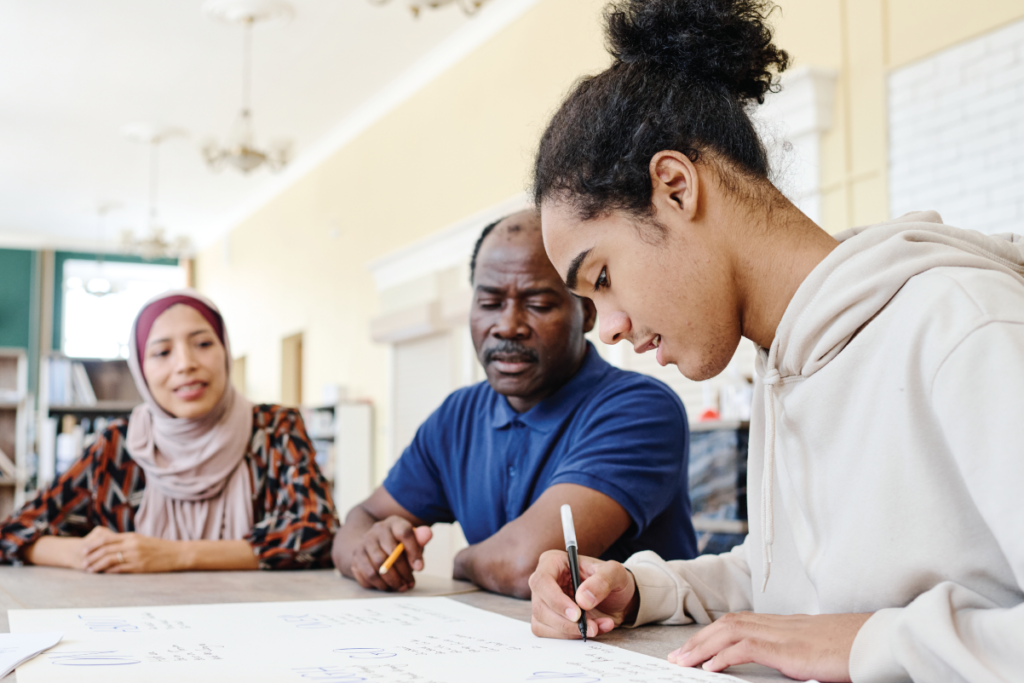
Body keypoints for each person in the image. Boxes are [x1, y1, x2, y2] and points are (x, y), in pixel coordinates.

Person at [526, 0, 1024, 681]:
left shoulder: (960, 323)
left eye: (603, 276)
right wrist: (641, 589)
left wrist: (868, 643)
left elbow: (847, 624)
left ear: (675, 187)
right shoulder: (787, 358)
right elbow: (794, 581)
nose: (605, 327)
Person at [332, 209, 697, 598]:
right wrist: (370, 552)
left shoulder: (640, 409)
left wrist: (461, 561)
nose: (507, 326)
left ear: (587, 311)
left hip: (631, 654)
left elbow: (528, 564)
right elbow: (359, 522)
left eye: (538, 304)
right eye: (489, 303)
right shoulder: (458, 416)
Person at [0, 290, 338, 572]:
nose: (185, 364)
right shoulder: (118, 444)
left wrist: (176, 555)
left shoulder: (274, 428)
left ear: (225, 353)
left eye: (203, 344)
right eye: (162, 352)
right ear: (141, 369)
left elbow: (318, 534)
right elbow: (12, 533)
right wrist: (83, 553)